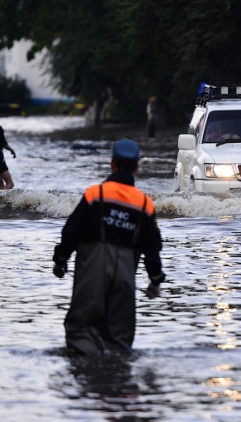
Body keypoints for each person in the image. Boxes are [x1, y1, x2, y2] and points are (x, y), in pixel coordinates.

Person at [52, 138, 166, 355]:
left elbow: (71, 232)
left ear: (112, 164)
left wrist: (61, 259)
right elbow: (152, 248)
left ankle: (87, 377)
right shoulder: (144, 203)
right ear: (136, 167)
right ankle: (117, 378)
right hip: (125, 274)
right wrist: (155, 280)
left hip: (92, 270)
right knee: (120, 334)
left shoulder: (96, 194)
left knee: (82, 328)